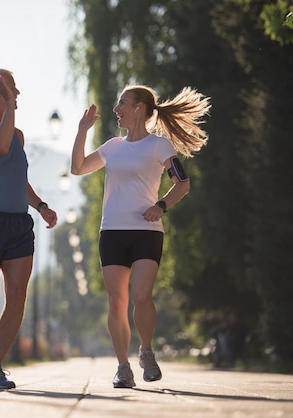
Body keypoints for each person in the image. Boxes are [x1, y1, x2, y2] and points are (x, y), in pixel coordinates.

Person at [70, 85, 210, 388]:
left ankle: (146, 351)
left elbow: (182, 184)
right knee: (116, 300)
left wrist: (161, 205)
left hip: (146, 231)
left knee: (141, 296)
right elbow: (78, 168)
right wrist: (82, 131)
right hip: (112, 231)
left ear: (139, 108)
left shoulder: (159, 146)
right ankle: (122, 367)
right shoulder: (112, 146)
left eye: (122, 103)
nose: (116, 109)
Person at [0, 68, 58, 390]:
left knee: (17, 297)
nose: (17, 92)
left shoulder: (18, 135)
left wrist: (41, 206)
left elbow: (18, 177)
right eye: (11, 87)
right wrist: (10, 108)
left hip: (18, 224)